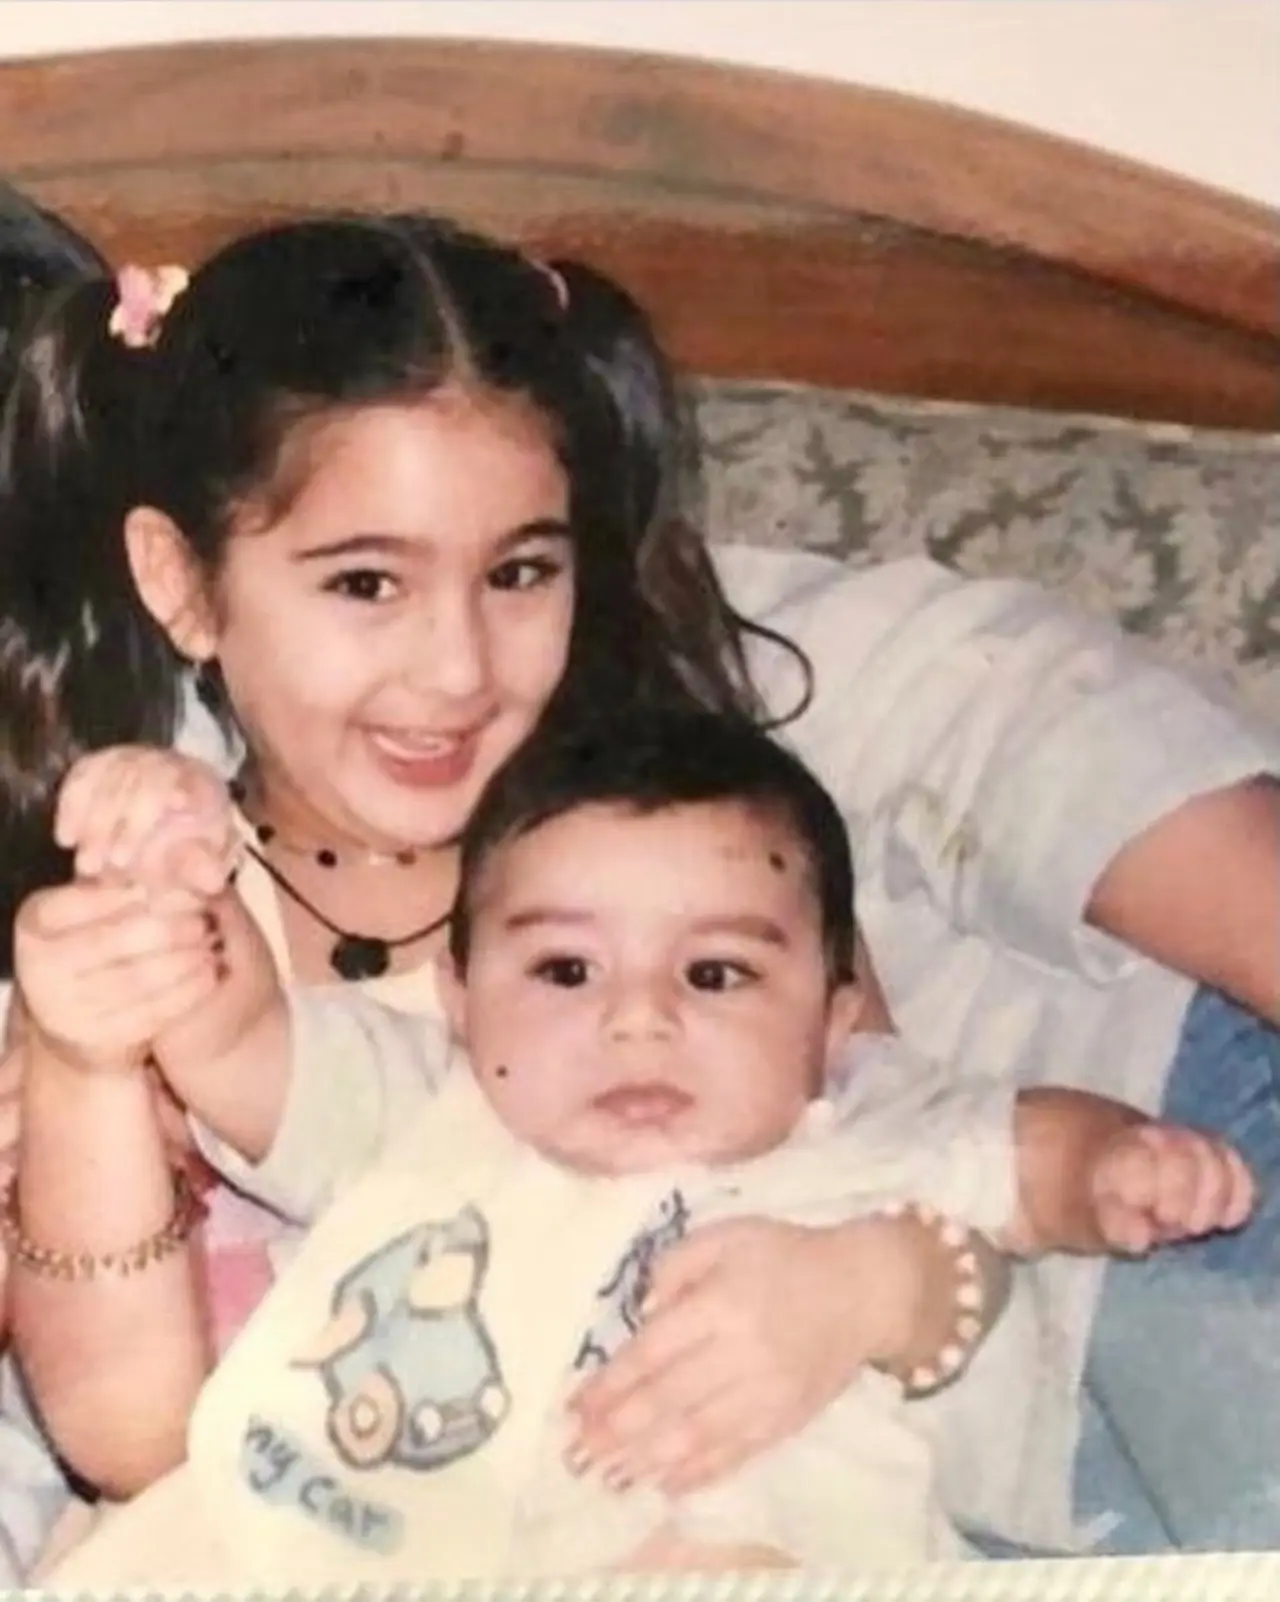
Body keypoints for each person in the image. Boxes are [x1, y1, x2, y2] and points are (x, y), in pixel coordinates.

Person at [0, 194, 1276, 1556]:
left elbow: (898, 1126)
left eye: (520, 573)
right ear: (177, 581)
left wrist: (881, 1281)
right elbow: (126, 1421)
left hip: (1078, 1257)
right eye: (367, 585)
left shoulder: (677, 801)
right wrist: (91, 1055)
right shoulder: (160, 910)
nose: (456, 667)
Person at [11, 710, 1252, 1586]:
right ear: (458, 999)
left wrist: (1116, 1163)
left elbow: (1027, 1152)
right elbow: (231, 1033)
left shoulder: (863, 1133)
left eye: (714, 973)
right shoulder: (423, 1106)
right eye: (564, 970)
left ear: (832, 1019)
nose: (637, 1018)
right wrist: (168, 866)